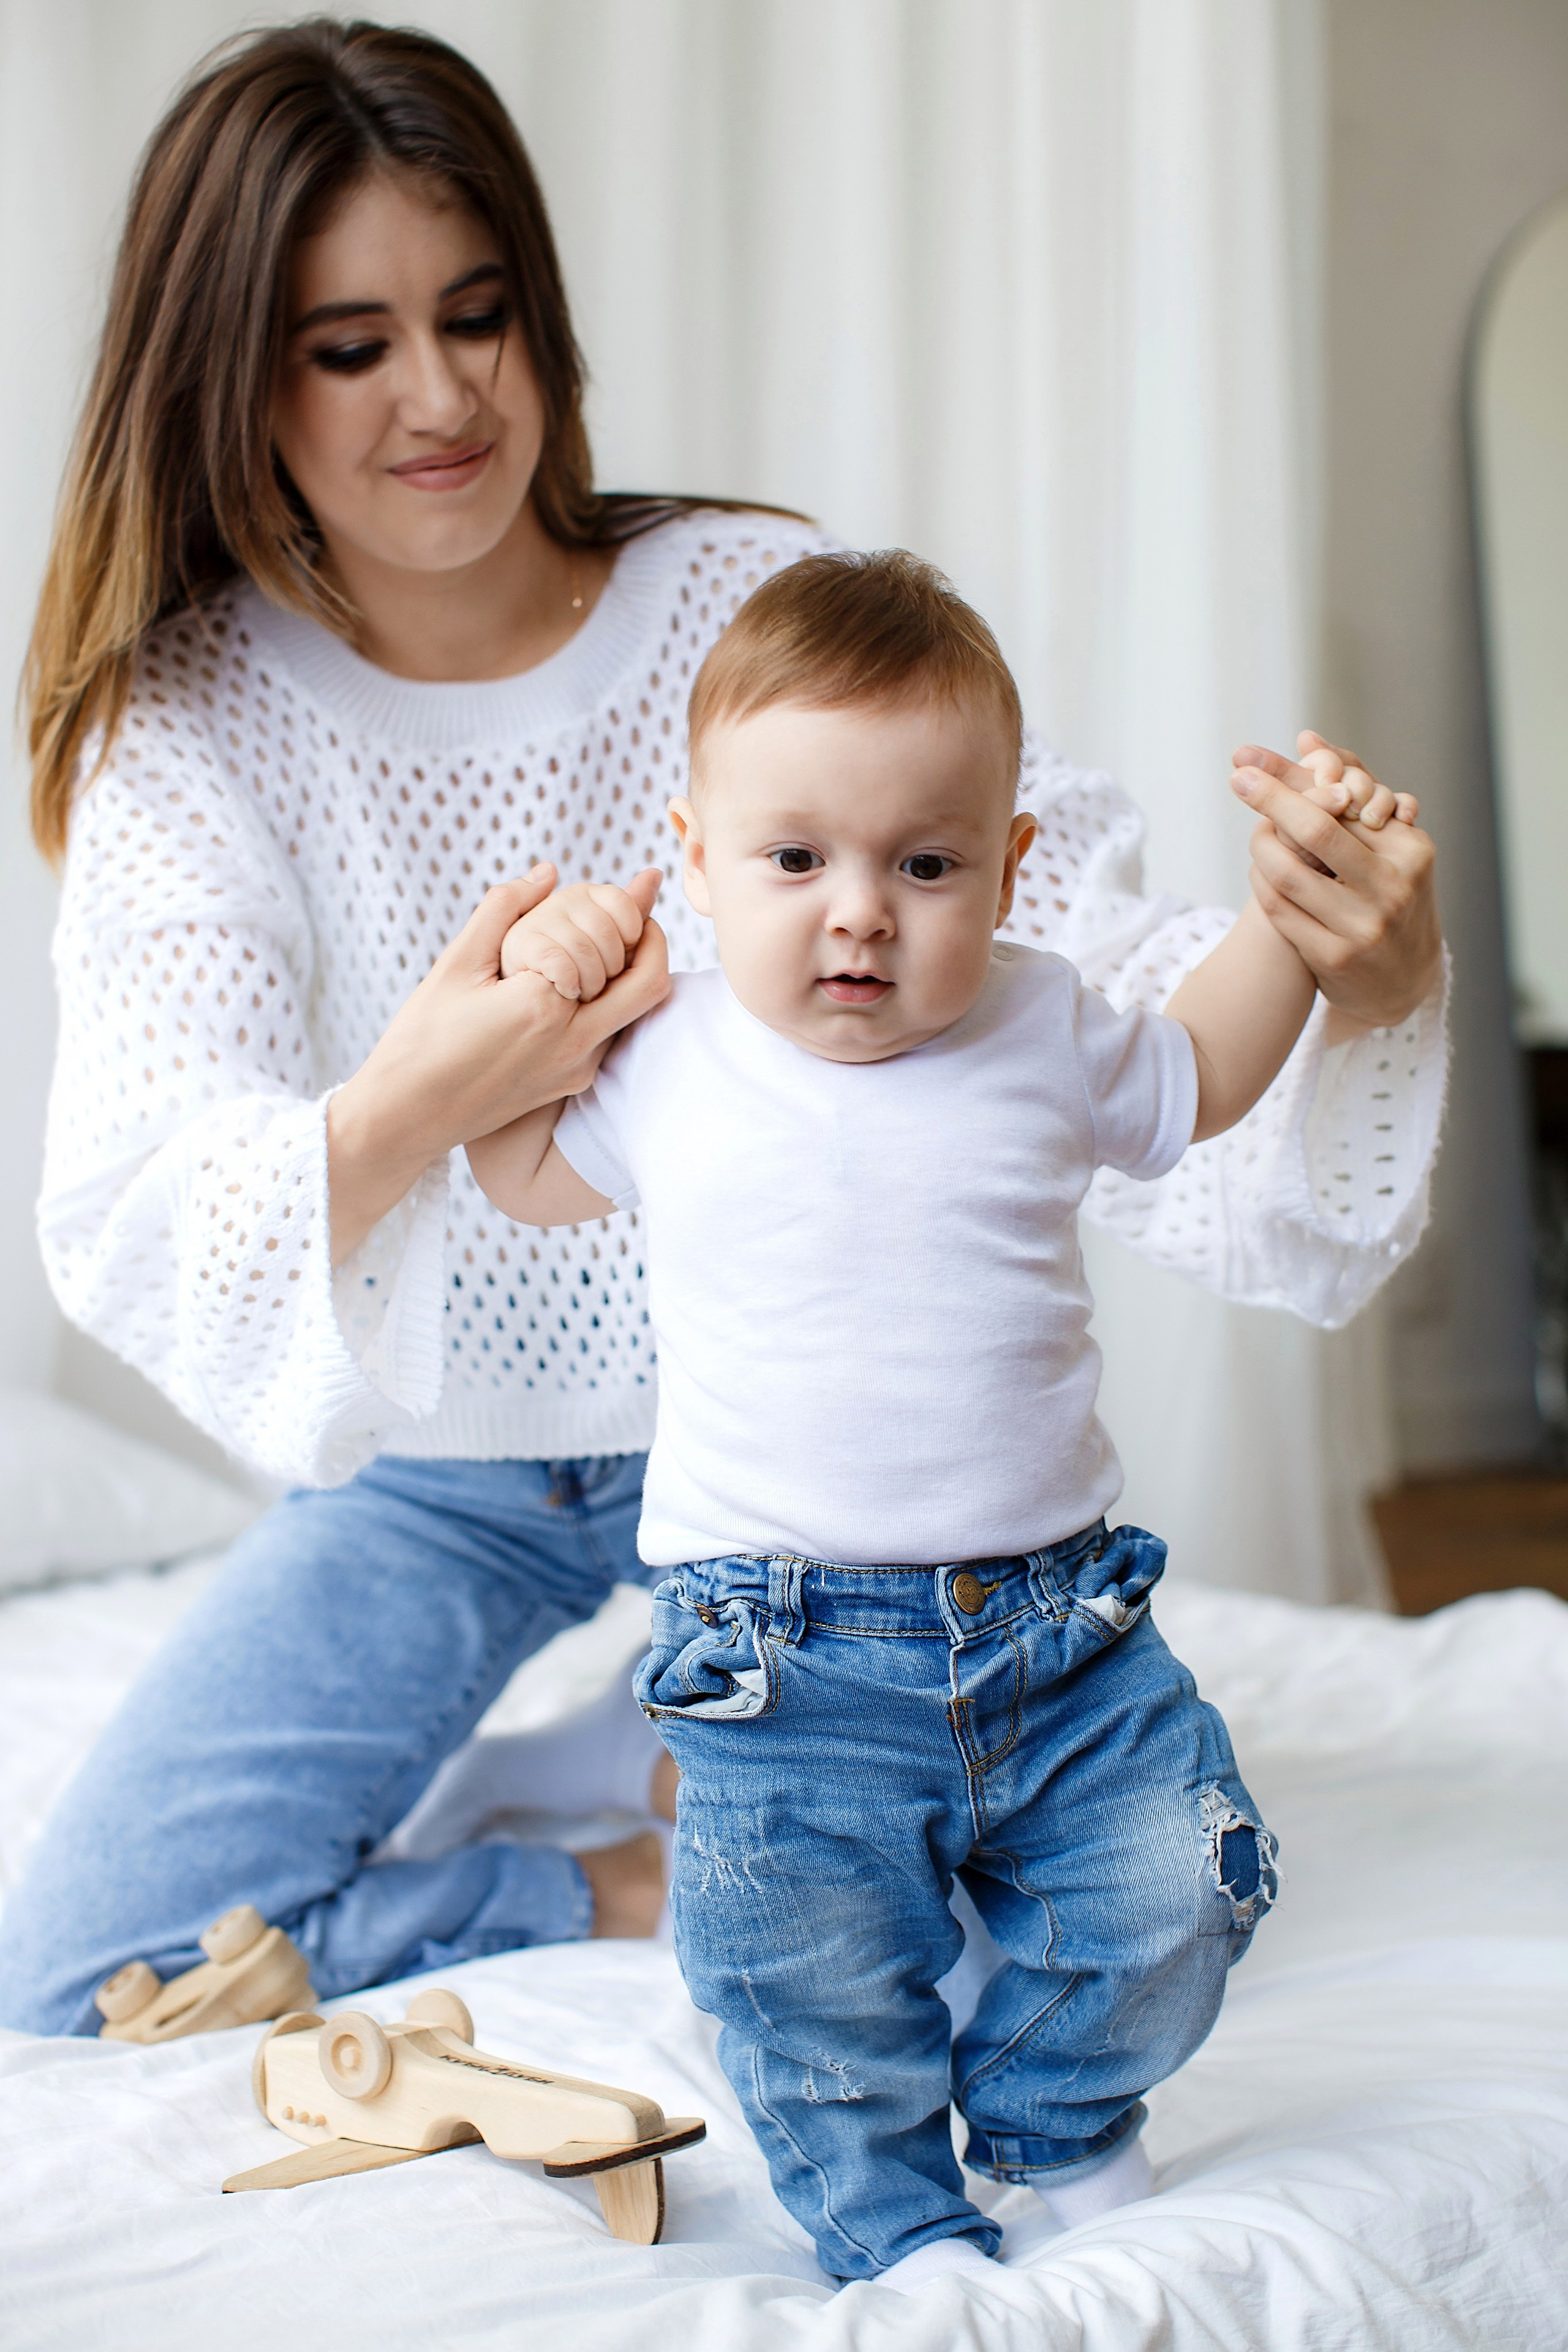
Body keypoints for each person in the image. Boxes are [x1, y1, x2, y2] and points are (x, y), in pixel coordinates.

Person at [0, 20, 1444, 2040]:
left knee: (992, 1947)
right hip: (454, 1470)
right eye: (349, 346)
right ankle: (610, 1837)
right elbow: (143, 1206)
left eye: (480, 314)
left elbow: (1066, 969)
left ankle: (702, 1739)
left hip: (803, 1454)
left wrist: (1340, 966)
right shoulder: (192, 725)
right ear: (227, 372)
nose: (441, 396)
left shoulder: (741, 599)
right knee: (82, 1969)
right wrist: (445, 1077)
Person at [464, 549, 1404, 2290]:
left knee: (1180, 1879)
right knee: (804, 1967)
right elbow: (516, 1170)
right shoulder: (664, 1056)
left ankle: (1053, 2118)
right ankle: (892, 2221)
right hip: (782, 1652)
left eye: (927, 863)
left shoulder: (1045, 1023)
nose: (860, 913)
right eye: (795, 859)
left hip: (1058, 1631)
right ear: (695, 859)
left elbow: (1202, 1077)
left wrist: (1287, 922)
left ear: (1011, 870)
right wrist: (536, 988)